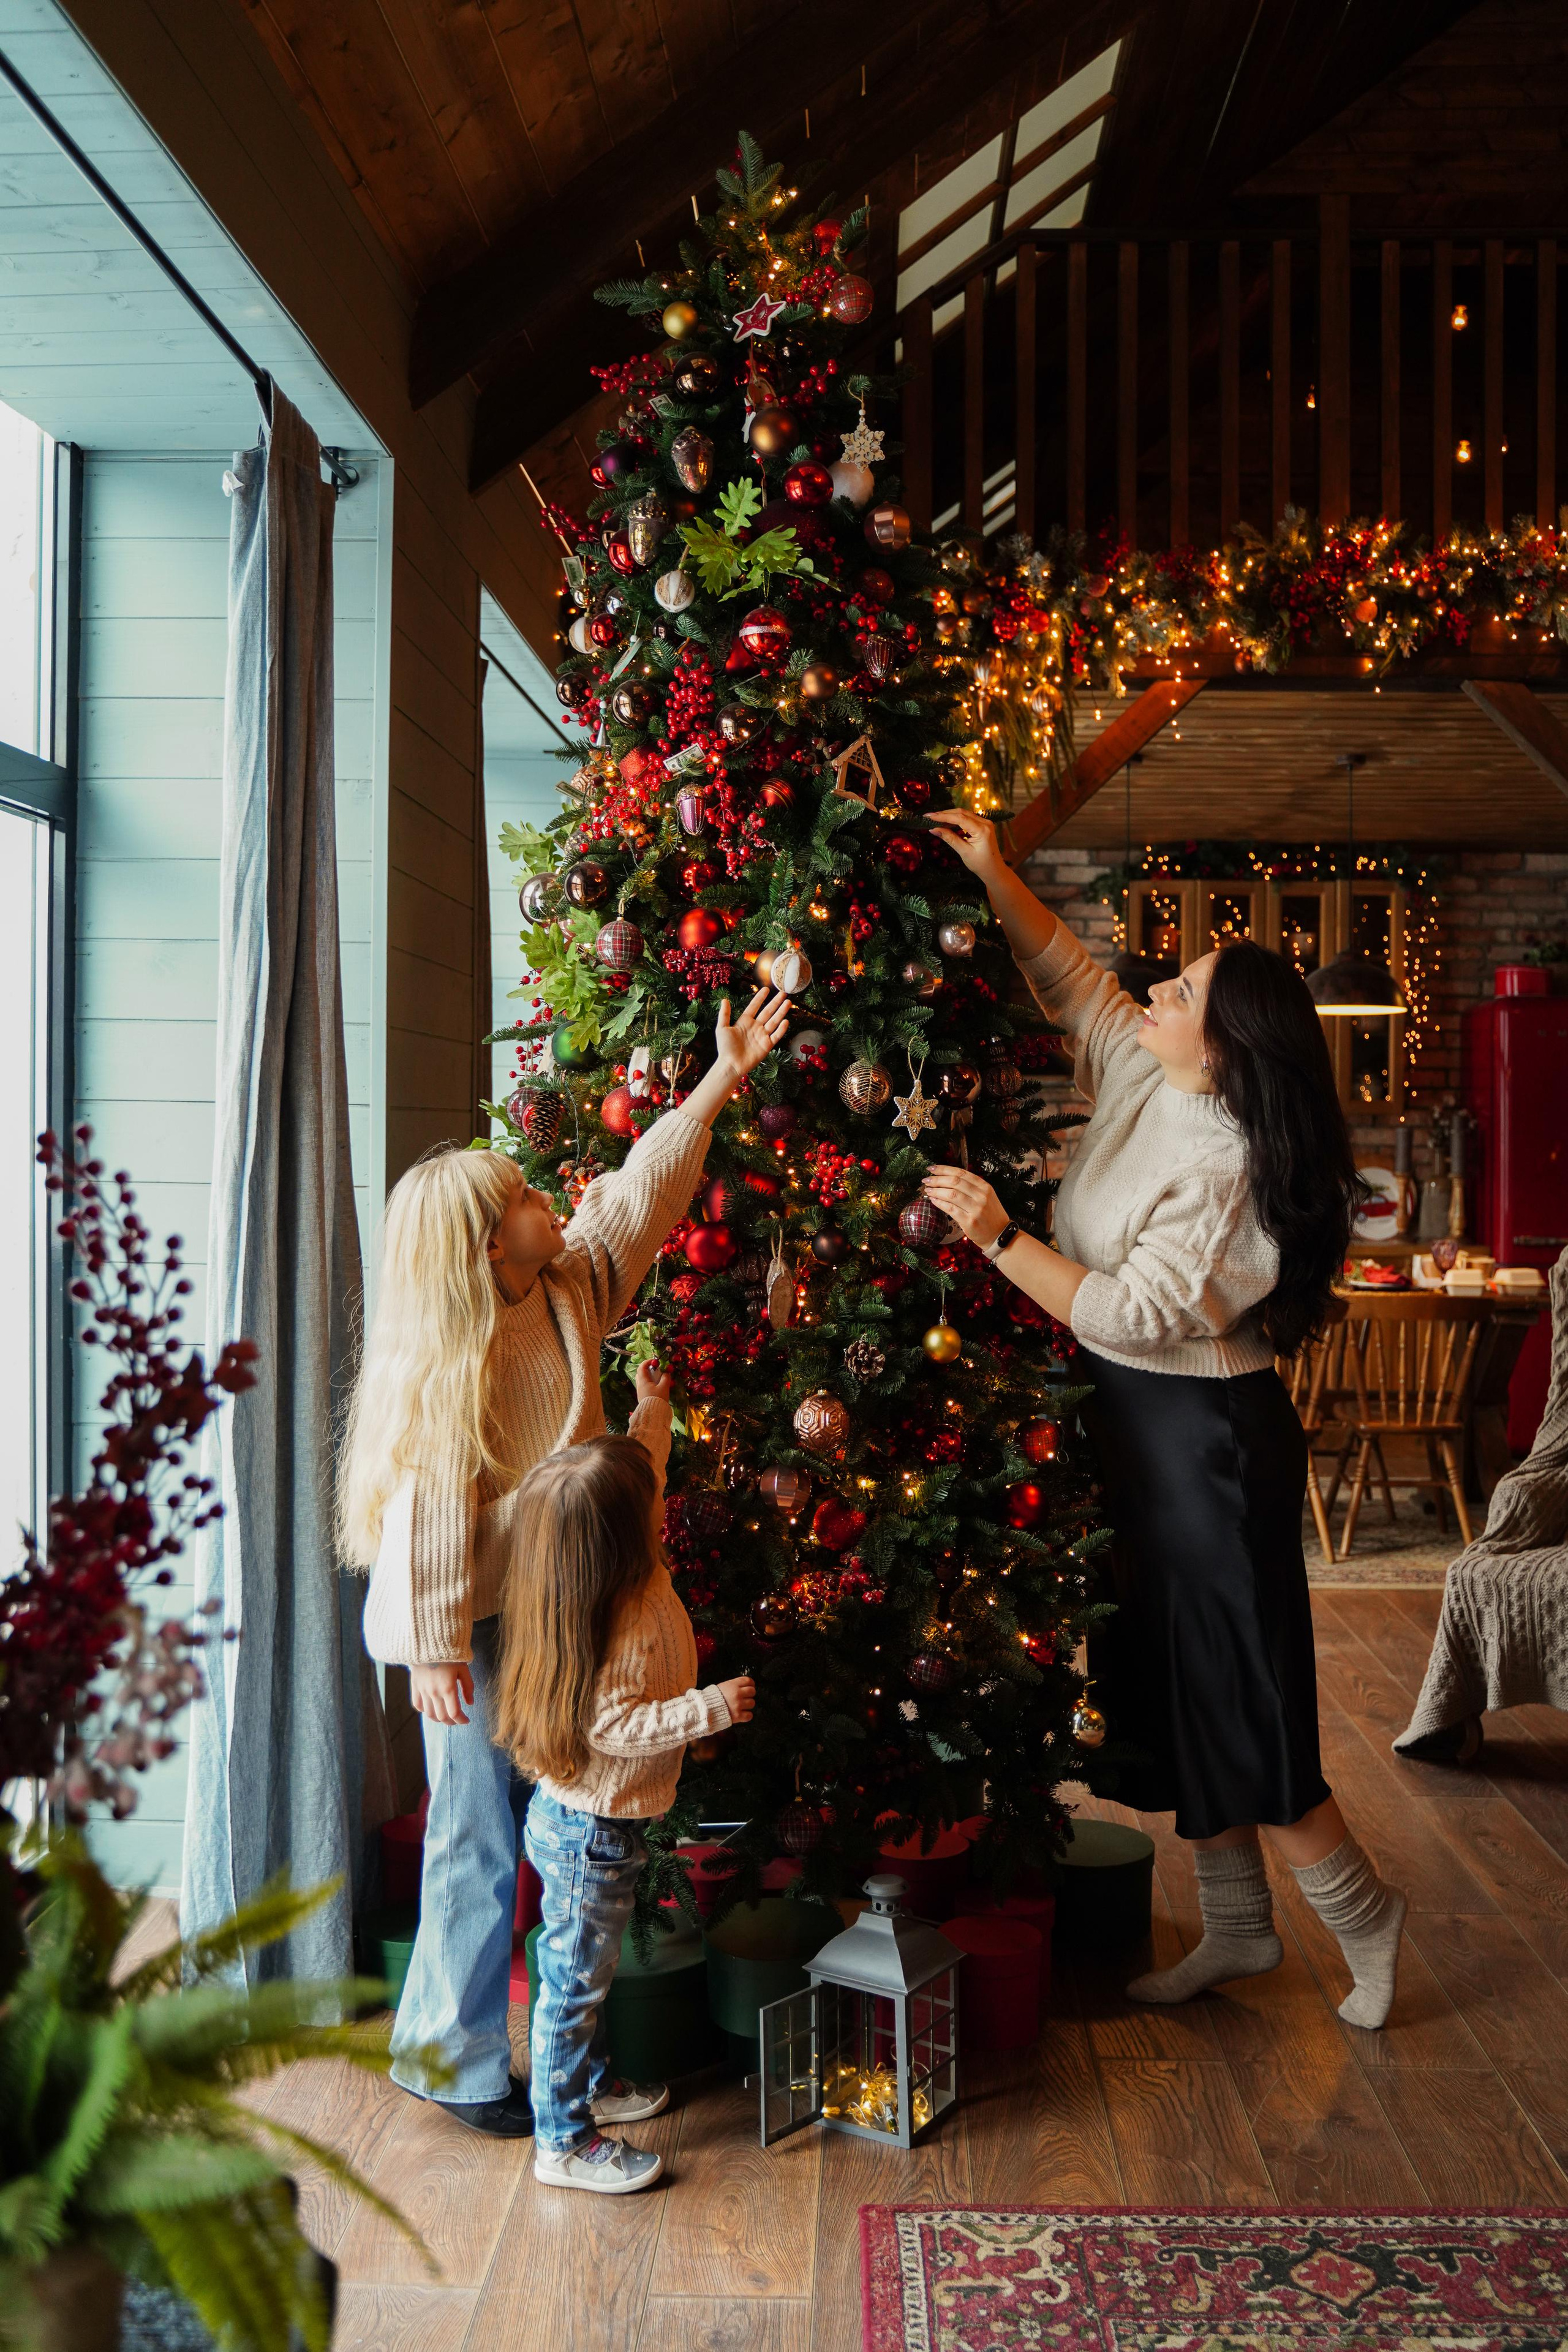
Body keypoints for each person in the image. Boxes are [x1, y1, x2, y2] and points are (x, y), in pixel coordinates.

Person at [922, 809, 1408, 2030]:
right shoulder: (1150, 1064)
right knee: (1172, 1694)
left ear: (1224, 1041)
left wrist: (994, 1237)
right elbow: (1075, 981)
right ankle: (1239, 1930)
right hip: (1138, 1434)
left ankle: (1364, 1921)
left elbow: (1133, 1313)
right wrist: (993, 873)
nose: (1151, 989)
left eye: (1178, 989)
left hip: (1206, 1446)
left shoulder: (1227, 1157)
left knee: (1240, 1700)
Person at [338, 986, 790, 2132]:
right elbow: (433, 1509)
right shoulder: (462, 1360)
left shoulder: (568, 1288)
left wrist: (718, 1080)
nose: (556, 1201)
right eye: (532, 1200)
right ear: (490, 1245)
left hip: (558, 1605)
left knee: (562, 1823)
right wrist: (437, 1646)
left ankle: (559, 2065)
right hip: (482, 1630)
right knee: (480, 1830)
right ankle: (452, 2059)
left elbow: (637, 1201)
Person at [494, 1363, 755, 2192]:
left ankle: (593, 2088)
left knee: (581, 1974)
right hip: (588, 1836)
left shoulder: (611, 1569)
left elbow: (640, 1470)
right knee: (571, 1987)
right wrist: (709, 1709)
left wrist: (653, 1407)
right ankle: (562, 2143)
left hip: (592, 1827)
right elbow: (620, 1725)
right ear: (617, 1539)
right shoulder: (617, 1622)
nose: (660, 1509)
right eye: (647, 1509)